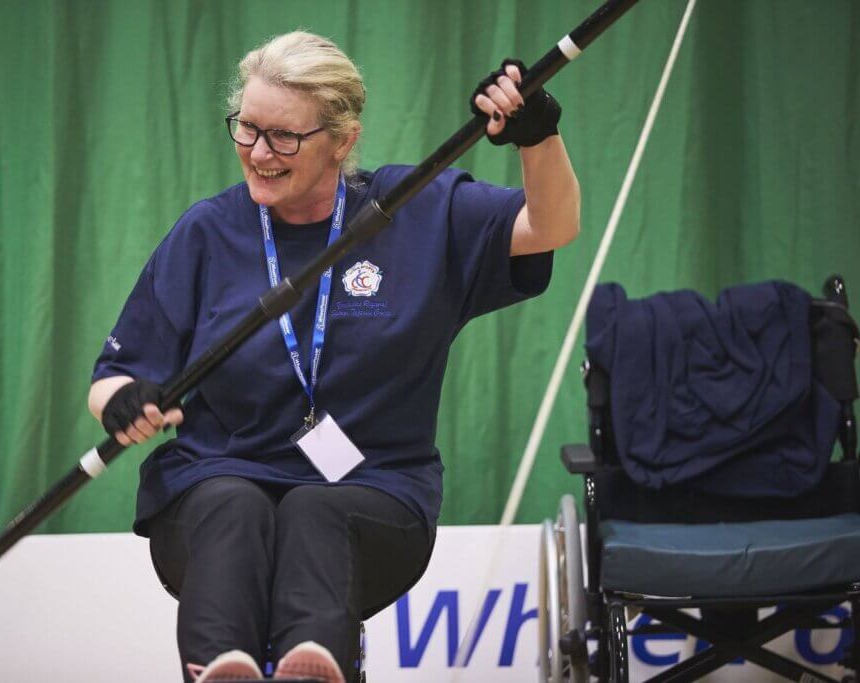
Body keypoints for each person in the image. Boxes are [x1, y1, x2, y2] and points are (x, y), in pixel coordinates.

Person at [88, 31, 579, 683]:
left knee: (315, 508)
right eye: (248, 129)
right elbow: (115, 377)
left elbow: (550, 227)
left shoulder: (412, 208)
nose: (260, 153)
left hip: (373, 492)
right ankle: (221, 667)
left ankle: (313, 666)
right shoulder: (207, 230)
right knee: (234, 503)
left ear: (343, 140)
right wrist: (123, 399)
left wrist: (537, 135)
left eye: (284, 137)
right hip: (212, 495)